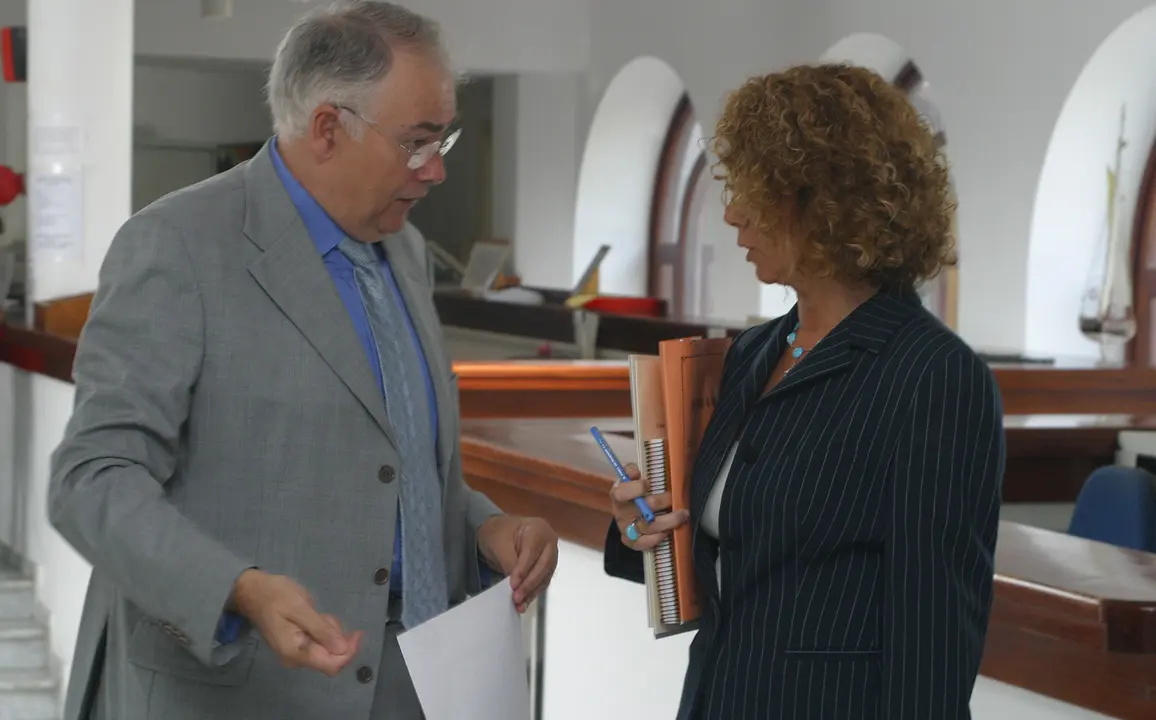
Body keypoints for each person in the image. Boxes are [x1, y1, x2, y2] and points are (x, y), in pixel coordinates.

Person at [48, 3, 558, 719]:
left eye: (444, 139)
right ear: (327, 128)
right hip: (231, 691)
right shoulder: (177, 245)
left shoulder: (403, 252)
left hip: (409, 687)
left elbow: (397, 463)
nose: (437, 170)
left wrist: (484, 529)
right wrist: (239, 587)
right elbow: (91, 480)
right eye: (417, 142)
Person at [605, 63, 1004, 720]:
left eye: (753, 192)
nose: (731, 215)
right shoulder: (753, 353)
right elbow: (731, 563)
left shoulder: (934, 376)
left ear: (823, 200)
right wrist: (639, 532)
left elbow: (934, 636)